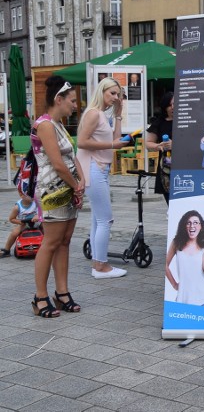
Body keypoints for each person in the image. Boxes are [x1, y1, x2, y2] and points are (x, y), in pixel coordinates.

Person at [31, 76, 85, 317]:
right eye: (72, 101)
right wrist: (76, 186)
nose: (75, 105)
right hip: (53, 191)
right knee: (51, 243)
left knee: (64, 241)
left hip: (68, 189)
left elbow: (71, 158)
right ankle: (40, 297)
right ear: (58, 99)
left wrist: (81, 182)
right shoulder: (44, 125)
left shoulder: (60, 124)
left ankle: (62, 293)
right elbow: (56, 163)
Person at [76, 77, 128, 279]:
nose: (115, 97)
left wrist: (119, 116)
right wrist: (114, 145)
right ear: (102, 91)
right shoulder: (93, 114)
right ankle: (101, 266)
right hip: (93, 168)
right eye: (112, 93)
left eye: (117, 94)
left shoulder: (101, 115)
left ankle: (98, 264)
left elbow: (115, 139)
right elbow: (81, 142)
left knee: (98, 220)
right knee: (105, 220)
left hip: (99, 168)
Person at [165, 210, 204, 306]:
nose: (192, 226)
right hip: (183, 299)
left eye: (196, 223)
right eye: (188, 223)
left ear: (200, 226)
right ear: (184, 226)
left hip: (203, 300)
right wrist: (174, 284)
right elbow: (165, 264)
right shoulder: (177, 242)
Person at [146, 92, 174, 203]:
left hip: (186, 165)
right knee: (170, 201)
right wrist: (159, 146)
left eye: (175, 104)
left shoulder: (187, 120)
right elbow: (148, 143)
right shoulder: (159, 123)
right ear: (164, 107)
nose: (173, 107)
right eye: (169, 105)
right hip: (167, 166)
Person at [2, 190, 38, 258]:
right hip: (24, 224)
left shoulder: (36, 203)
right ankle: (7, 250)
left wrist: (38, 216)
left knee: (47, 229)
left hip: (37, 222)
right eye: (30, 195)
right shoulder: (17, 207)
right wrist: (20, 222)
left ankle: (50, 247)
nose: (32, 196)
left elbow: (43, 212)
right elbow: (11, 219)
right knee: (15, 233)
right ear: (22, 195)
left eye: (33, 194)